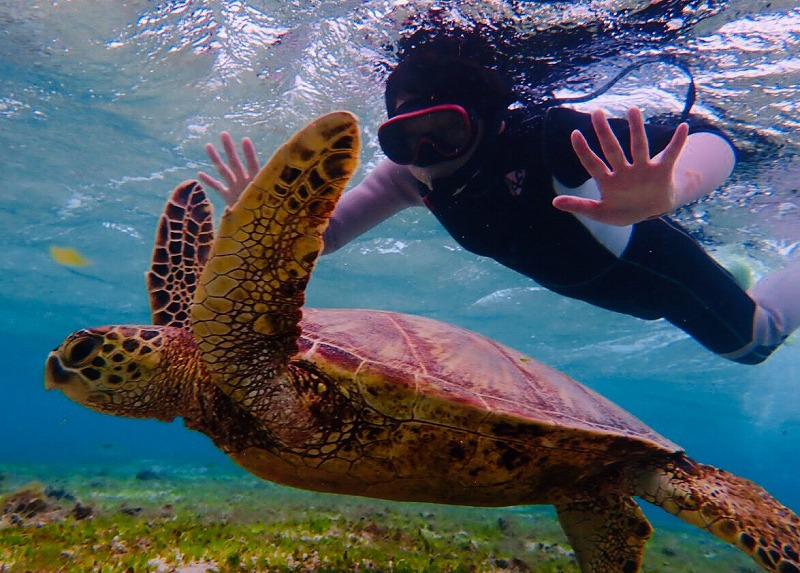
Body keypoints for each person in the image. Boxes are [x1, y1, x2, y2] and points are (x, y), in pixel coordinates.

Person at [198, 38, 800, 365]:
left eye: (446, 132)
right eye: (404, 138)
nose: (426, 151)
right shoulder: (409, 177)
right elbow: (322, 238)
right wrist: (270, 220)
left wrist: (673, 192)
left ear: (487, 122)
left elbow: (715, 142)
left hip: (651, 262)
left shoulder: (551, 138)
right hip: (609, 286)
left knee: (756, 342)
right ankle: (736, 266)